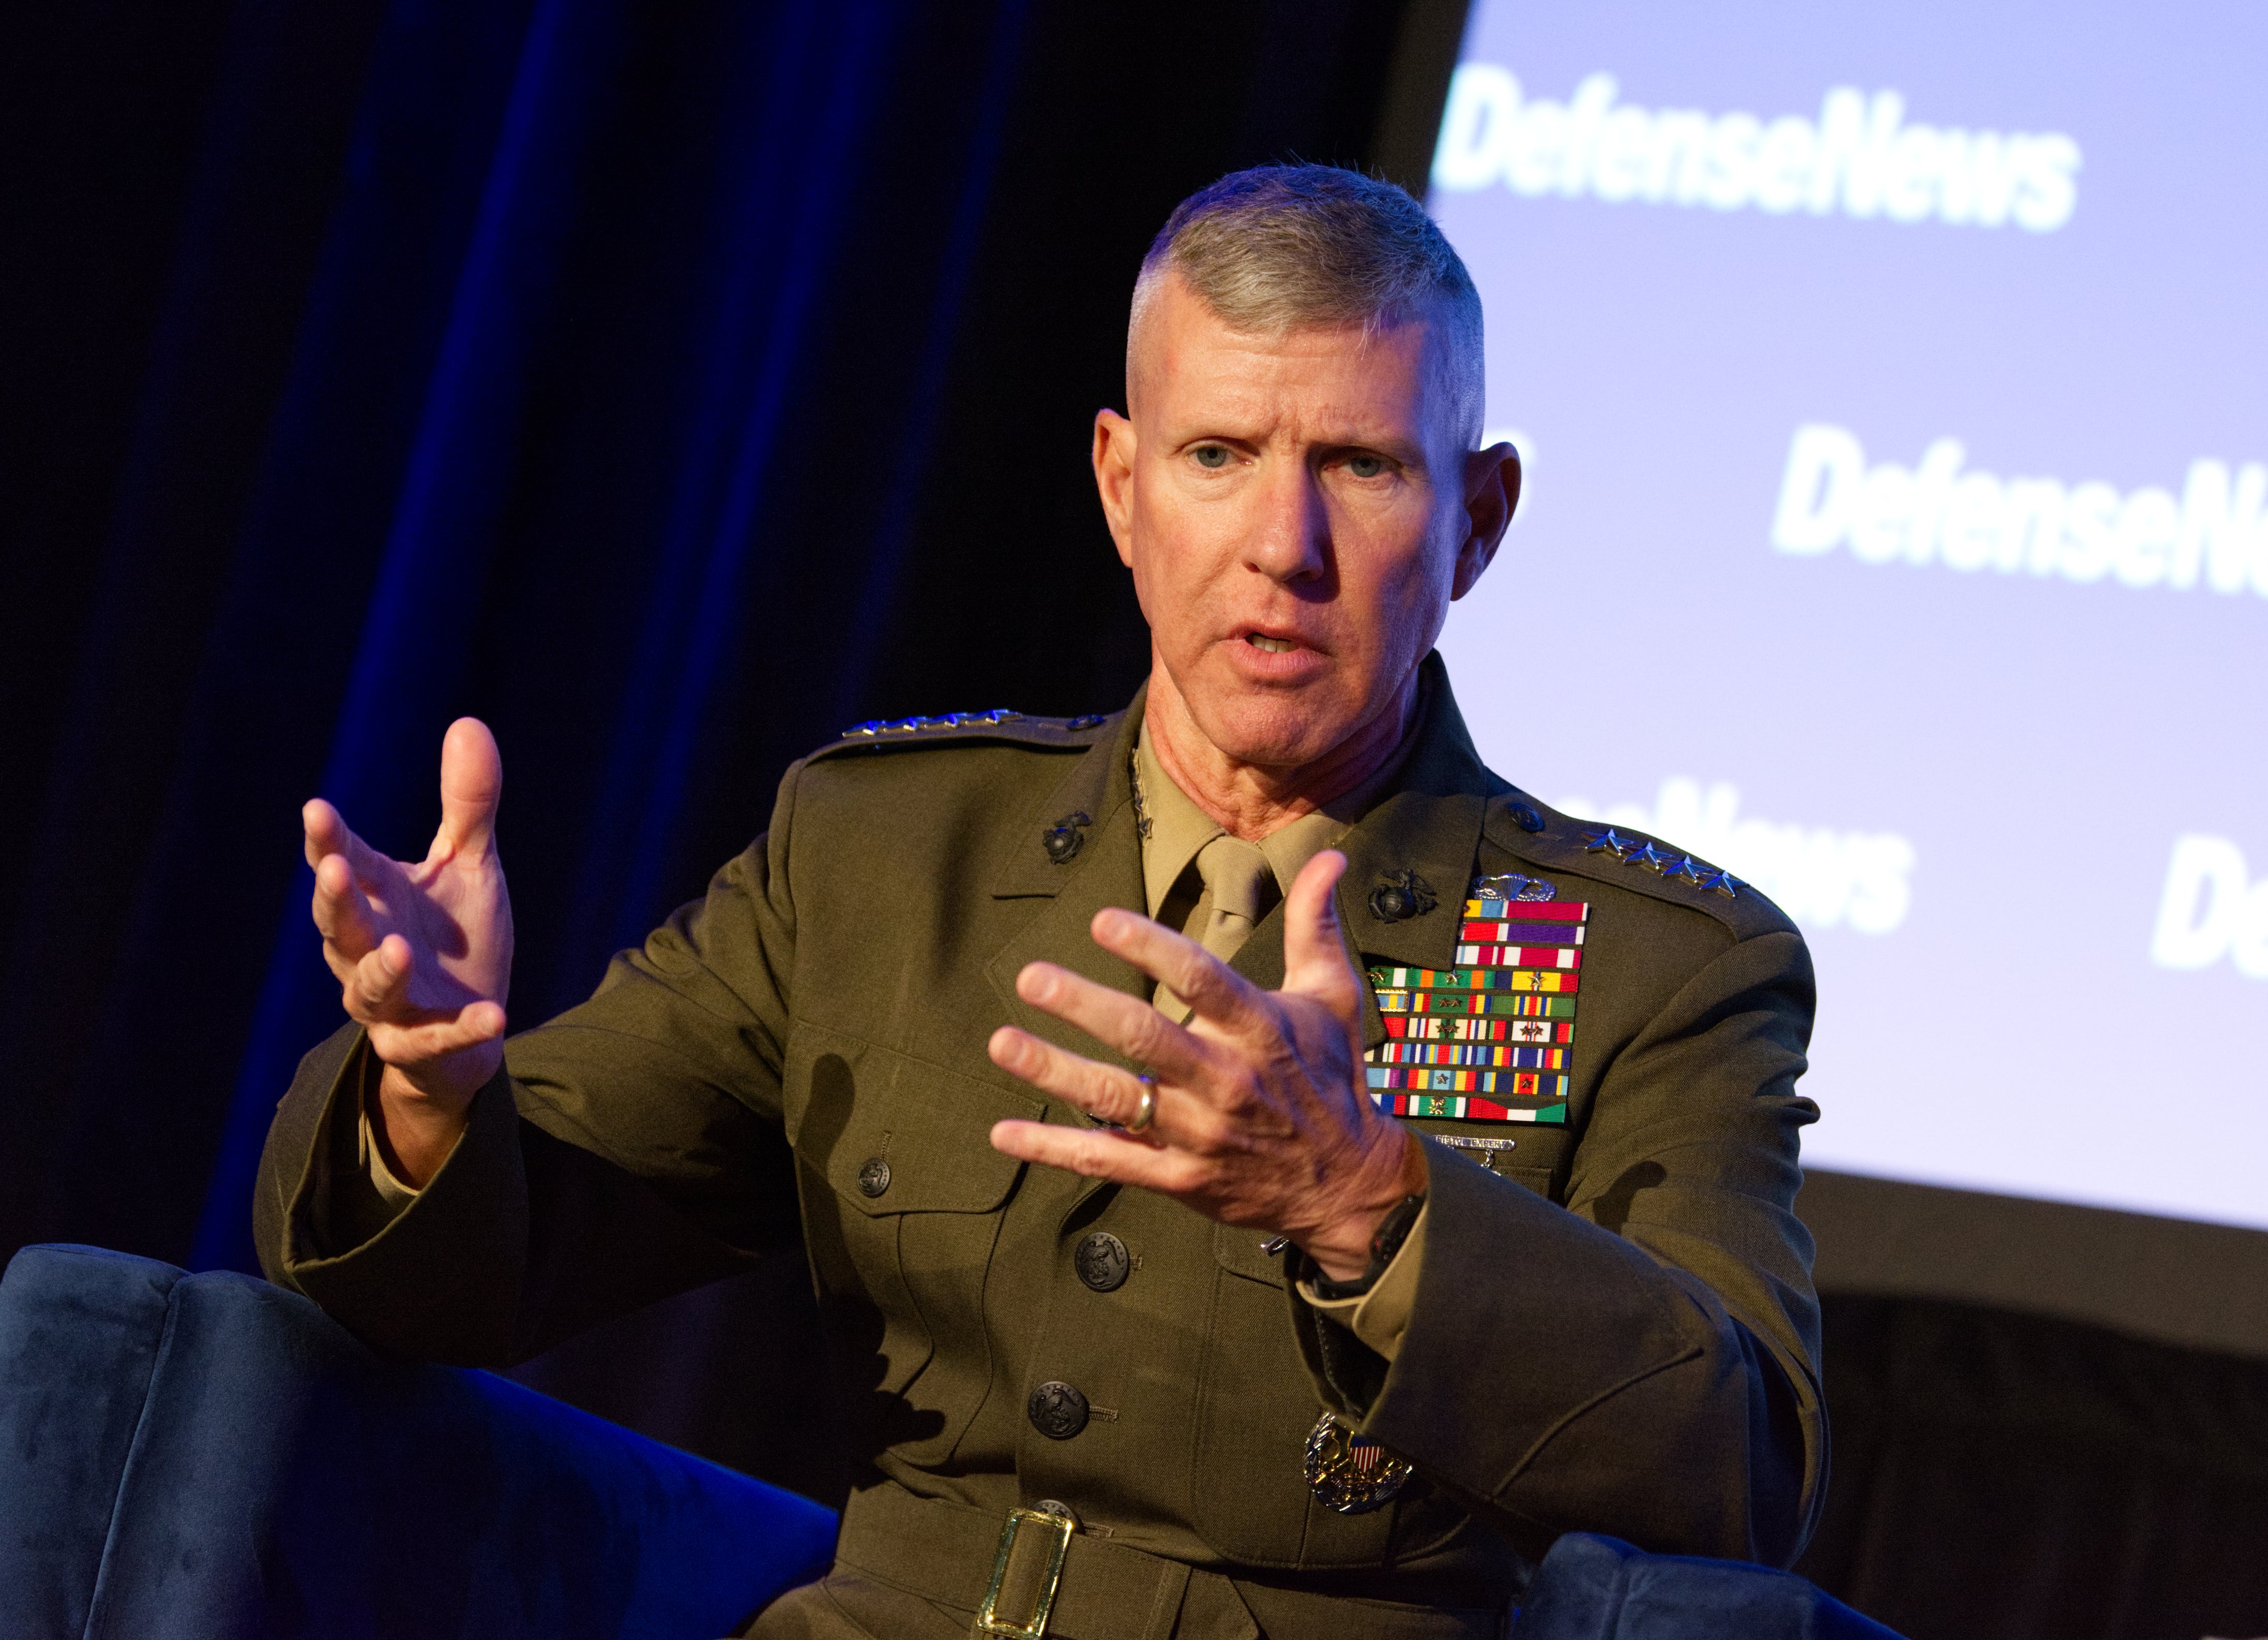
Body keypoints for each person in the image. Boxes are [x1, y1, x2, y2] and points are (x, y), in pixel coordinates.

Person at [255, 164, 1825, 1639]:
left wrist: (1370, 1200)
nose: (1285, 547)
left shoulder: (1653, 966)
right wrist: (432, 1089)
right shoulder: (884, 853)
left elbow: (1741, 1470)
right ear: (1123, 486)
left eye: (1358, 466)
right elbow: (482, 1265)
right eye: (1218, 458)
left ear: (1477, 520)